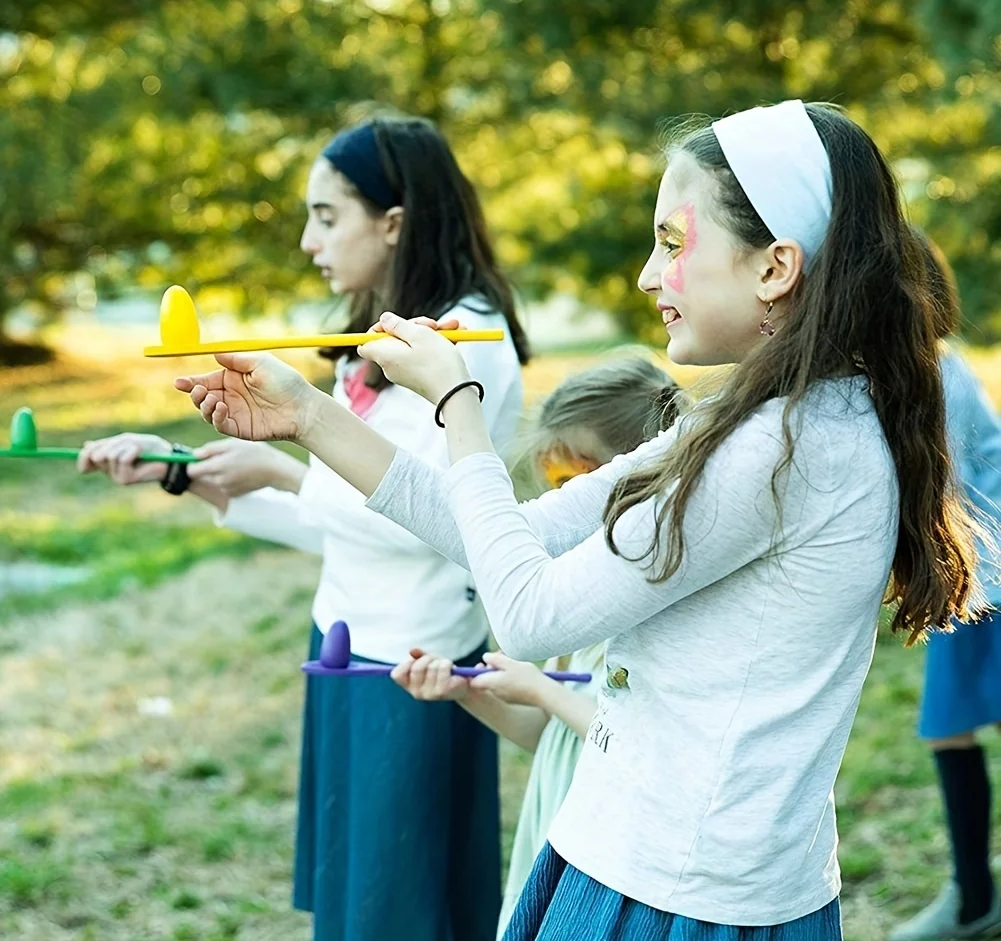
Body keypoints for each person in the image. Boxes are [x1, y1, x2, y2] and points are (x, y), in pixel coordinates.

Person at [174, 100, 982, 941]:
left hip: (680, 894)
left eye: (672, 242)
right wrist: (308, 416)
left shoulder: (784, 449)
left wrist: (457, 405)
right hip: (648, 856)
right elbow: (512, 530)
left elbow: (528, 614)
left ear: (774, 266)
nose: (647, 273)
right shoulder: (769, 421)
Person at [79, 116, 530, 941]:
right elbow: (349, 525)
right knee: (357, 909)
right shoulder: (383, 336)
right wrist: (187, 472)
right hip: (346, 645)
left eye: (326, 216)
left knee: (400, 916)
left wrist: (283, 466)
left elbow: (426, 520)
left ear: (393, 221)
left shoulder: (465, 338)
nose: (306, 239)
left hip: (412, 669)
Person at [391, 356, 682, 939]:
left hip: (621, 855)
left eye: (574, 484)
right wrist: (472, 695)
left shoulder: (660, 601)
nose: (564, 506)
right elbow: (546, 738)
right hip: (558, 832)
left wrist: (543, 691)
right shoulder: (572, 603)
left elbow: (634, 736)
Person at [889, 233, 1001, 940]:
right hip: (977, 579)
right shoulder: (937, 368)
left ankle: (971, 897)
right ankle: (972, 891)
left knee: (950, 729)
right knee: (951, 728)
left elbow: (935, 493)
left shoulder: (931, 378)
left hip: (984, 581)